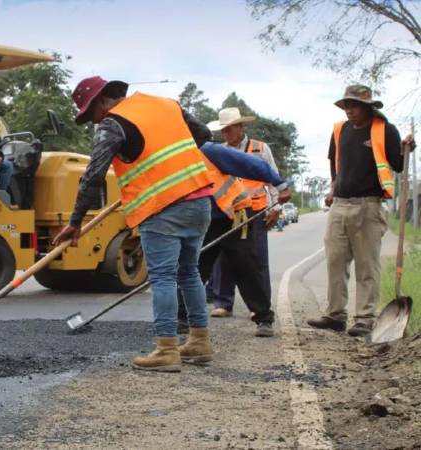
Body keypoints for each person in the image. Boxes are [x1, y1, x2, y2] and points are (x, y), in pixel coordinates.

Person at [52, 76, 214, 372]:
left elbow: (93, 176)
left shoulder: (112, 124)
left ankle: (166, 349)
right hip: (200, 199)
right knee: (189, 272)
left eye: (91, 114)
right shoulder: (167, 105)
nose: (93, 122)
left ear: (102, 100)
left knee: (163, 277)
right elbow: (203, 134)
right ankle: (199, 342)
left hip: (162, 206)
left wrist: (75, 223)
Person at [307, 84, 415, 337]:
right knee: (335, 262)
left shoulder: (384, 130)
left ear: (367, 107)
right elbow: (336, 166)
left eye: (354, 105)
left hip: (368, 205)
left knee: (367, 266)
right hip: (340, 205)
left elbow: (398, 165)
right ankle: (335, 316)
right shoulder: (339, 131)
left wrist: (408, 146)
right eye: (346, 105)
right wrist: (333, 189)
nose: (349, 110)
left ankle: (364, 319)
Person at [177, 142, 291, 337]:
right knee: (193, 268)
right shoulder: (171, 159)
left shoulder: (209, 151)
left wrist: (280, 184)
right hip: (205, 221)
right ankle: (182, 317)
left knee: (246, 266)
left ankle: (263, 318)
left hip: (234, 215)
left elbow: (251, 164)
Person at [204, 108, 282, 320]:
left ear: (240, 127)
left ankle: (258, 307)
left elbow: (272, 177)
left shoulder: (260, 148)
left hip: (256, 212)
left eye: (229, 129)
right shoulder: (218, 151)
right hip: (227, 212)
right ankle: (223, 303)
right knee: (222, 260)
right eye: (223, 130)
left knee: (255, 261)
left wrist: (275, 208)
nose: (226, 134)